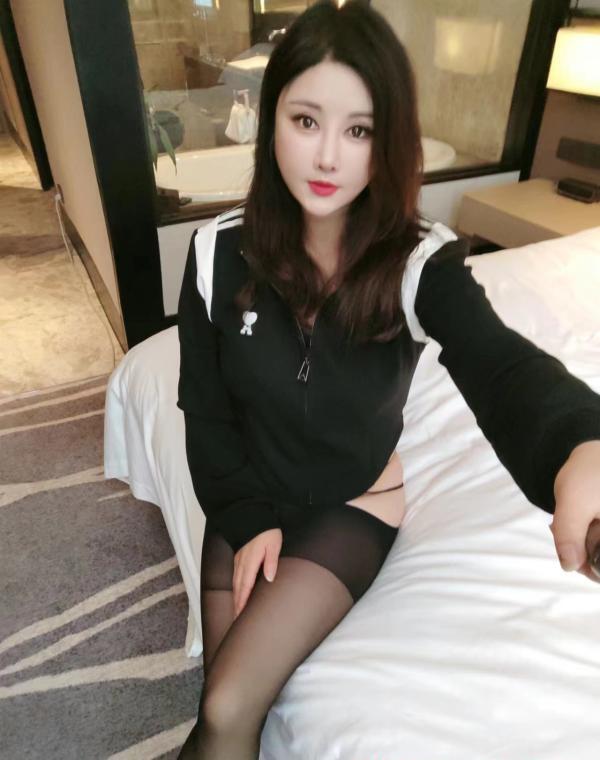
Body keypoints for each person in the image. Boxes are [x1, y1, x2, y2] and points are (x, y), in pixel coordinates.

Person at [175, 1, 600, 757]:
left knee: (229, 703)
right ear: (272, 123)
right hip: (246, 491)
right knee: (225, 697)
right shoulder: (216, 253)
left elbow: (501, 365)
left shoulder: (419, 263)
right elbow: (205, 413)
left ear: (389, 140)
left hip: (352, 503)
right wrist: (246, 515)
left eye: (359, 130)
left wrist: (580, 443)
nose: (328, 157)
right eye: (306, 121)